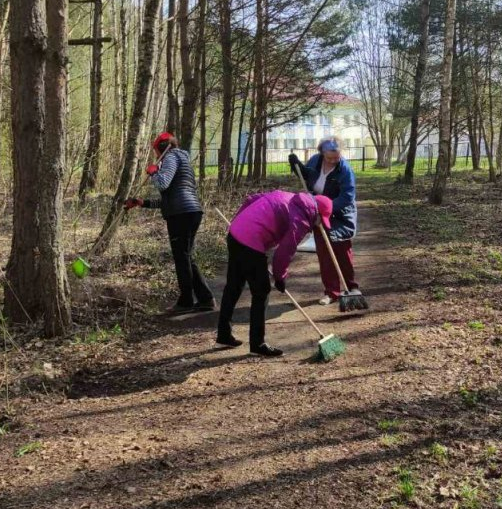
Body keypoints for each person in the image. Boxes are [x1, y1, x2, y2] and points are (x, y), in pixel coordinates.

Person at [217, 189, 333, 358]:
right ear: (316, 213)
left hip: (236, 233)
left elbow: (251, 199)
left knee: (234, 285)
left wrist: (238, 223)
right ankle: (258, 343)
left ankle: (223, 334)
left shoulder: (287, 196)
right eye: (320, 221)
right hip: (250, 241)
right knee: (262, 291)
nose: (318, 226)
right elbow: (285, 251)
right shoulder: (301, 220)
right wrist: (280, 277)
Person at [124, 132, 215, 315]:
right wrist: (143, 203)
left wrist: (153, 173)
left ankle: (186, 301)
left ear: (162, 148)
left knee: (182, 258)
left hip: (181, 215)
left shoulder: (172, 157)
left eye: (156, 151)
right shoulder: (183, 162)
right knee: (187, 257)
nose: (156, 156)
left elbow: (163, 184)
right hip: (190, 211)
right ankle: (205, 299)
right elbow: (171, 197)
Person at [289, 138, 366, 306]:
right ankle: (331, 292)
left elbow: (347, 198)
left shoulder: (345, 170)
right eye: (329, 157)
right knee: (325, 254)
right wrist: (298, 168)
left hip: (340, 214)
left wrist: (326, 210)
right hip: (318, 212)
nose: (333, 161)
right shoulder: (315, 161)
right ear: (322, 153)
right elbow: (308, 177)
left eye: (336, 157)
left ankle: (352, 287)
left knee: (342, 252)